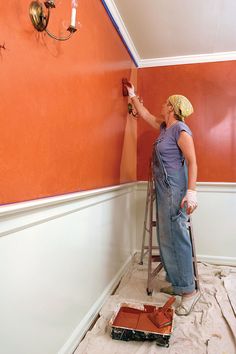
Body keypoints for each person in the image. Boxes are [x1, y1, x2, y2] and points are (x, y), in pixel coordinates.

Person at [126, 82, 200, 316]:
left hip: (176, 190)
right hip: (163, 190)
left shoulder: (180, 130)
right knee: (166, 239)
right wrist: (132, 95)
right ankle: (179, 285)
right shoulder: (164, 128)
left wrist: (191, 193)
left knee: (178, 239)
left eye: (165, 102)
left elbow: (192, 162)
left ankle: (189, 293)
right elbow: (145, 114)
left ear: (172, 108)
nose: (162, 104)